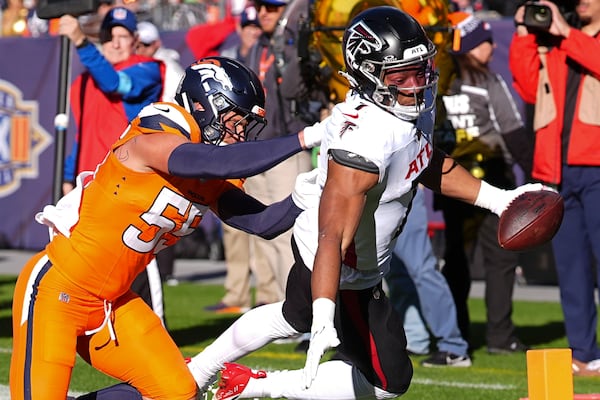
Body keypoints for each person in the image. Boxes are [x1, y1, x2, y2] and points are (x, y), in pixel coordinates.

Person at [185, 8, 547, 400]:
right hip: (342, 266)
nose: (416, 83)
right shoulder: (363, 141)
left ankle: (221, 375)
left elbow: (424, 159)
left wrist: (499, 199)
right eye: (400, 75)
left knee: (305, 324)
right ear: (369, 74)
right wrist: (326, 311)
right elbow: (333, 237)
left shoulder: (406, 109)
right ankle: (237, 381)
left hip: (352, 258)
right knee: (377, 373)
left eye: (419, 69)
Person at [9, 56, 322, 400]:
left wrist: (311, 192)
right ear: (205, 104)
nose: (240, 134)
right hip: (58, 289)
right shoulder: (161, 126)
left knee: (177, 391)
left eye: (246, 125)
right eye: (235, 120)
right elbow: (204, 160)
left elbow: (263, 223)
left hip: (113, 301)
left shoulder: (211, 169)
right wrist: (308, 137)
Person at [510, 0, 600, 376]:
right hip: (557, 169)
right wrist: (523, 33)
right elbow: (528, 88)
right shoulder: (554, 41)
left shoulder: (573, 38)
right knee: (571, 267)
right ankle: (584, 353)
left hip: (596, 165)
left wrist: (565, 31)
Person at [435, 11, 531, 354]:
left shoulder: (439, 80)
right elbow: (513, 132)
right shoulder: (488, 80)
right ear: (475, 45)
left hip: (450, 180)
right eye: (486, 42)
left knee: (457, 262)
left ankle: (454, 335)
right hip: (491, 179)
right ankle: (500, 338)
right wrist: (537, 175)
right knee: (500, 261)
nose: (491, 48)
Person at [243, 0, 329, 303]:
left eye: (273, 8)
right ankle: (270, 306)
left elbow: (297, 89)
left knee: (288, 234)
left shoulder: (297, 45)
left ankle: (296, 308)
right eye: (261, 7)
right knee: (261, 232)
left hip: (286, 146)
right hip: (256, 148)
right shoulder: (259, 46)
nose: (264, 13)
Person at [205, 6, 282, 314]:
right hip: (235, 147)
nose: (252, 30)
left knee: (261, 220)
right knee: (233, 227)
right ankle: (235, 294)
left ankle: (266, 294)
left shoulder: (273, 52)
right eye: (247, 25)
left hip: (264, 144)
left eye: (255, 25)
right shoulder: (231, 58)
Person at [60, 6, 164, 192]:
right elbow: (84, 135)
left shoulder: (147, 70)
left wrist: (81, 42)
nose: (115, 44)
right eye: (109, 37)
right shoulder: (85, 81)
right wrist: (69, 177)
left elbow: (114, 84)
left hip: (126, 183)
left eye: (123, 37)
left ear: (135, 40)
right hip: (90, 183)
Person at [386, 186, 471, 366]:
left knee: (422, 270)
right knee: (395, 271)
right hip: (373, 194)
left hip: (401, 191)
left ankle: (454, 348)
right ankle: (414, 338)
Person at [136, 20, 185, 103]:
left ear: (157, 43)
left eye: (146, 44)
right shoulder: (138, 64)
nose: (141, 49)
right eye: (137, 45)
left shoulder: (168, 66)